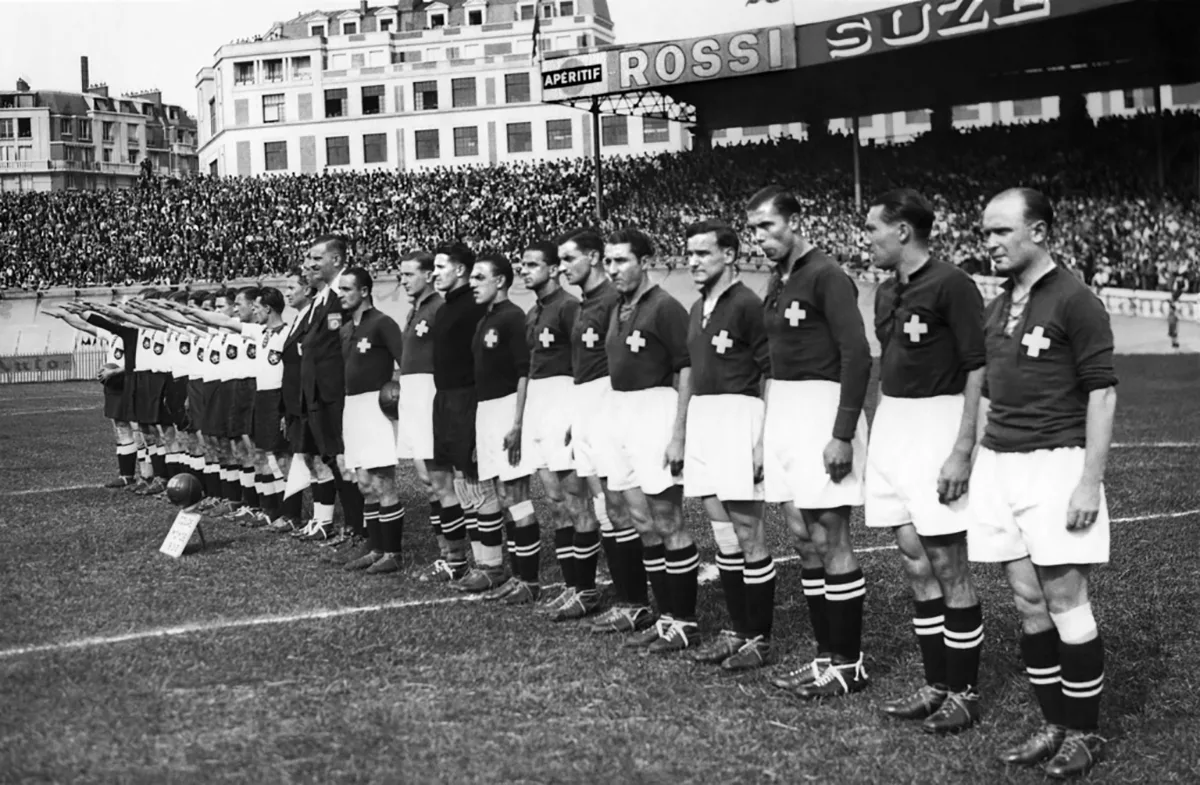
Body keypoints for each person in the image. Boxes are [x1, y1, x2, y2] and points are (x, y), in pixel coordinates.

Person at [969, 188, 1116, 778]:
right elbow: (988, 389)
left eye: (1002, 231)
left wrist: (1089, 483)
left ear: (1040, 233)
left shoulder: (1076, 300)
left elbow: (1102, 393)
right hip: (1000, 464)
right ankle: (1053, 723)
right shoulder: (999, 302)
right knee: (1028, 602)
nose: (991, 243)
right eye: (985, 233)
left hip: (1057, 464)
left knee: (1065, 601)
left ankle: (1086, 734)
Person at [864, 189, 986, 733]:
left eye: (872, 230)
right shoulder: (886, 292)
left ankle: (963, 692)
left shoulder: (953, 284)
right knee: (914, 559)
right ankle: (935, 683)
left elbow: (977, 366)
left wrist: (963, 448)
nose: (865, 239)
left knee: (948, 563)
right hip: (895, 420)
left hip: (939, 423)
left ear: (903, 232)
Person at [746, 186, 873, 699]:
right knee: (801, 535)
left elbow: (857, 356)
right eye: (754, 229)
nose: (760, 238)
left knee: (829, 536)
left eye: (768, 227)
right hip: (787, 413)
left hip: (823, 411)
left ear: (795, 221)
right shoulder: (778, 282)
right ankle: (825, 656)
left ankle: (849, 664)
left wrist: (841, 434)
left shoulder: (826, 275)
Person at [677, 219, 774, 672]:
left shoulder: (749, 305)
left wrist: (761, 440)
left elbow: (770, 371)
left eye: (703, 254)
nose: (693, 261)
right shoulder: (699, 307)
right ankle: (736, 630)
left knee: (749, 533)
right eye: (690, 253)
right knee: (722, 533)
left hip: (740, 415)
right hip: (705, 418)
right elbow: (691, 371)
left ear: (730, 255)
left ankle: (759, 638)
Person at [603, 227, 697, 654]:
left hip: (656, 411)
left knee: (666, 520)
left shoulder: (665, 307)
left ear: (643, 262)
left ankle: (684, 621)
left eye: (621, 260)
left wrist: (678, 432)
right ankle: (663, 615)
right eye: (608, 261)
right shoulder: (618, 308)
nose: (613, 268)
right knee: (638, 519)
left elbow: (687, 366)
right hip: (622, 411)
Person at [557, 228, 643, 633]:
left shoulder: (613, 300)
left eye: (569, 259)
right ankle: (626, 599)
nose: (563, 268)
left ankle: (636, 601)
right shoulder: (586, 303)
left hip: (609, 402)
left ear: (592, 257)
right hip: (587, 405)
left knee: (621, 504)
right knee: (605, 507)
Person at [518, 240, 602, 619]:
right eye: (523, 264)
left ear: (553, 270)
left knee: (575, 500)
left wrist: (574, 414)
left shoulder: (569, 308)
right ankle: (572, 587)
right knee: (555, 501)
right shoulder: (533, 311)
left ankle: (586, 590)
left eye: (533, 264)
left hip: (562, 401)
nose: (525, 270)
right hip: (539, 404)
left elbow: (581, 362)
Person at [465, 252, 543, 604]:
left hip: (508, 410)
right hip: (487, 411)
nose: (472, 283)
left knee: (517, 496)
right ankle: (515, 575)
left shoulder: (512, 318)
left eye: (479, 277)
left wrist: (517, 422)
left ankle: (529, 580)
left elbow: (524, 372)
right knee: (503, 496)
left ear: (500, 281)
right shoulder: (486, 319)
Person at [428, 243, 501, 592]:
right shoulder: (446, 308)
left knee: (476, 481)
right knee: (459, 483)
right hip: (445, 399)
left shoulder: (473, 308)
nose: (435, 272)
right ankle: (472, 562)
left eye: (441, 266)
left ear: (460, 270)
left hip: (466, 400)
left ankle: (492, 566)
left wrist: (476, 412)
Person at [336, 267, 406, 575]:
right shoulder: (345, 327)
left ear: (364, 291)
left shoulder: (383, 323)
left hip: (377, 406)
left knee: (382, 481)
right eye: (340, 289)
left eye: (347, 289)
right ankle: (375, 548)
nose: (341, 295)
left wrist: (397, 396)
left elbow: (407, 362)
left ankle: (392, 552)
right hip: (352, 408)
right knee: (364, 483)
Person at [298, 235, 366, 548]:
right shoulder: (324, 296)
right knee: (333, 458)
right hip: (319, 394)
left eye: (316, 258)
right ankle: (352, 525)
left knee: (345, 460)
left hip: (337, 393)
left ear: (336, 260)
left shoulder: (346, 292)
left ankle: (358, 527)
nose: (310, 263)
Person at [395, 251, 451, 580]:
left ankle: (457, 555)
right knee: (428, 482)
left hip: (431, 396)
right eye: (400, 275)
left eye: (409, 274)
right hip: (413, 398)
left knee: (442, 481)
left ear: (429, 275)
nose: (403, 280)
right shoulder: (413, 311)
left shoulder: (439, 309)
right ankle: (447, 553)